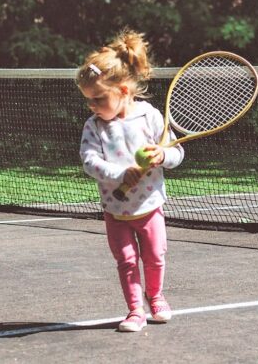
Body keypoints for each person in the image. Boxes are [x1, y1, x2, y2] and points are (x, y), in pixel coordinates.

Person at [76, 29, 184, 332]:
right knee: (126, 261)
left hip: (149, 207)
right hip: (115, 211)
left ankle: (156, 297)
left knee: (155, 257)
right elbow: (90, 162)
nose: (93, 106)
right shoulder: (94, 126)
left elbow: (176, 154)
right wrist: (120, 174)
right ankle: (135, 310)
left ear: (123, 90)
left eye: (98, 98)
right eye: (89, 101)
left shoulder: (149, 117)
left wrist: (162, 156)